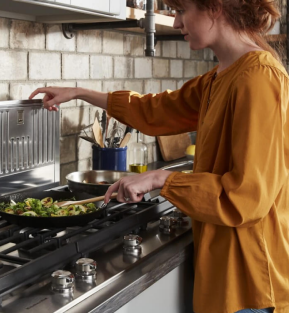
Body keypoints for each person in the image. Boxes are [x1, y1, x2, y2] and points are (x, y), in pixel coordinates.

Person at [29, 0, 289, 311]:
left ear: (214, 8)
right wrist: (79, 92)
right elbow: (155, 111)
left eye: (181, 11)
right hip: (223, 270)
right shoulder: (218, 78)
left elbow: (247, 197)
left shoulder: (259, 77)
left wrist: (160, 178)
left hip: (249, 279)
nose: (177, 23)